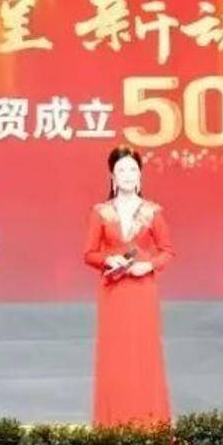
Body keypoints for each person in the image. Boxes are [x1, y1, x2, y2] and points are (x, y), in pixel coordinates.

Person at [83, 145, 172, 425]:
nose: (128, 174)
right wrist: (107, 259)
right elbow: (89, 254)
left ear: (140, 175)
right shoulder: (101, 212)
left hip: (142, 289)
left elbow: (167, 251)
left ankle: (148, 426)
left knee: (143, 354)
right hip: (114, 290)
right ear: (112, 176)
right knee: (115, 356)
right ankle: (113, 425)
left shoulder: (152, 211)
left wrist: (149, 265)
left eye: (133, 169)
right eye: (121, 169)